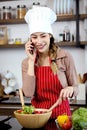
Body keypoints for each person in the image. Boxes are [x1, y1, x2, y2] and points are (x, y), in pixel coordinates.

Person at [22, 6, 79, 119]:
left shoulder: (64, 56)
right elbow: (28, 94)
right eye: (34, 37)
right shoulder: (26, 62)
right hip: (38, 117)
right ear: (30, 40)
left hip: (61, 117)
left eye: (43, 36)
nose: (39, 41)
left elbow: (76, 87)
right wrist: (31, 61)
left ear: (50, 36)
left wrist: (71, 89)